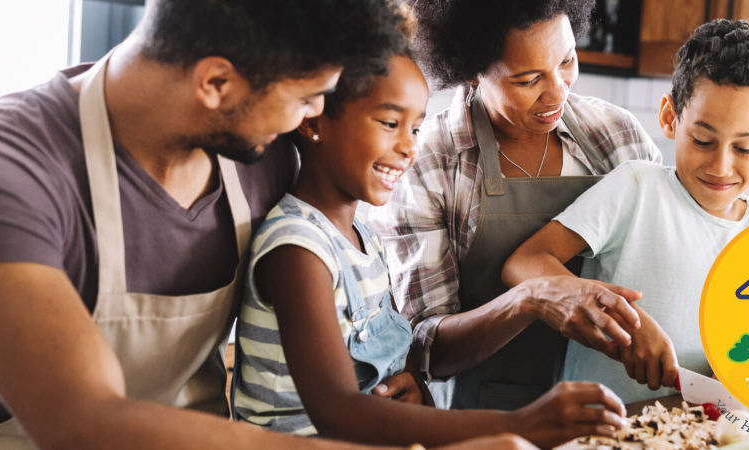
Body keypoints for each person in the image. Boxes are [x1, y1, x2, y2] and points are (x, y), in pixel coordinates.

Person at [0, 0, 528, 449]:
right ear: (215, 82)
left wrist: (394, 384)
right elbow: (84, 421)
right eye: (308, 96)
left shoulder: (264, 160)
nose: (314, 117)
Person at [231, 49, 628, 449]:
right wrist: (521, 425)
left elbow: (393, 359)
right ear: (314, 121)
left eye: (415, 129)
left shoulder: (362, 235)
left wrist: (413, 386)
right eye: (390, 123)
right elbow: (338, 413)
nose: (409, 147)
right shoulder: (298, 250)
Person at [372, 0, 662, 411]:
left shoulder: (617, 136)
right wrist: (532, 299)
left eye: (567, 61)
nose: (558, 91)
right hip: (485, 417)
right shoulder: (429, 163)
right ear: (472, 70)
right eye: (528, 80)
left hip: (613, 408)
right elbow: (426, 349)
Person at [501, 19, 749, 404]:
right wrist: (623, 321)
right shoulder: (637, 188)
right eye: (703, 140)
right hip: (599, 431)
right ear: (670, 118)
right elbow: (524, 263)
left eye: (744, 148)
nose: (721, 166)